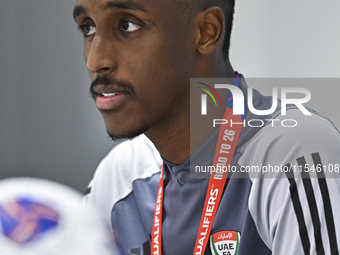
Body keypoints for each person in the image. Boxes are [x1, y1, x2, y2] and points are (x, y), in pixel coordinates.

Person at [73, 0, 340, 254]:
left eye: (127, 25)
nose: (95, 61)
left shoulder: (295, 154)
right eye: (88, 28)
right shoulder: (120, 175)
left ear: (206, 31)